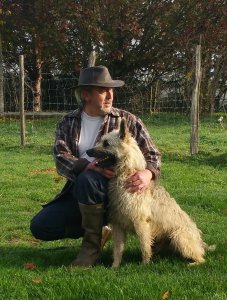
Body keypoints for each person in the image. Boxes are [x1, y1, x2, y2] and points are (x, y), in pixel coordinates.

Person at [30, 65, 161, 267]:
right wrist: (86, 166)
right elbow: (61, 156)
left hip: (123, 193)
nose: (109, 95)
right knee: (41, 226)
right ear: (86, 95)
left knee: (88, 179)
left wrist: (147, 173)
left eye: (111, 90)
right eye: (102, 90)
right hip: (83, 192)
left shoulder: (128, 121)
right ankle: (99, 228)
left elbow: (152, 154)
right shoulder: (67, 122)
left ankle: (91, 249)